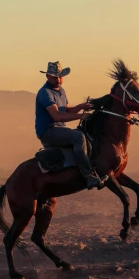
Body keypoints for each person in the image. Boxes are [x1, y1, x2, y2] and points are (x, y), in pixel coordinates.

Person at [35, 61, 108, 190]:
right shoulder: (45, 93)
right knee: (78, 137)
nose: (58, 79)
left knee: (86, 135)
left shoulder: (60, 90)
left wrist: (80, 107)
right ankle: (89, 176)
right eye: (54, 77)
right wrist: (81, 116)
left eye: (60, 76)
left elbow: (66, 110)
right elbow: (57, 116)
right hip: (48, 132)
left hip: (59, 129)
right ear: (47, 76)